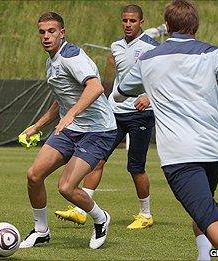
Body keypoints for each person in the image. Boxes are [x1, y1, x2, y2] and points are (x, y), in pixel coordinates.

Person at [113, 0, 218, 260]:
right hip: (213, 151)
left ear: (167, 26)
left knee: (207, 215)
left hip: (180, 156)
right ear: (196, 26)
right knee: (201, 210)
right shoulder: (214, 53)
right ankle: (204, 257)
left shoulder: (147, 59)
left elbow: (120, 93)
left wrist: (142, 91)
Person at [55, 4, 158, 230]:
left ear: (142, 23)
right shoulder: (116, 46)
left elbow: (163, 76)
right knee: (97, 160)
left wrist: (149, 97)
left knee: (136, 167)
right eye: (125, 20)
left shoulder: (152, 47)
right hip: (114, 112)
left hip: (141, 113)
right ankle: (82, 210)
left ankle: (146, 214)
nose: (128, 24)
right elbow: (113, 79)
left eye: (133, 21)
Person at [19, 12, 117, 250]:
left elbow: (95, 88)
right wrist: (37, 125)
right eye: (42, 32)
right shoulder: (50, 61)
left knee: (66, 187)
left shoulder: (72, 56)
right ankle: (41, 231)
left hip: (98, 130)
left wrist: (71, 115)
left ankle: (101, 218)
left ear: (62, 33)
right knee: (34, 176)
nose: (46, 36)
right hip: (70, 128)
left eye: (51, 31)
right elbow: (61, 100)